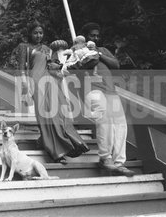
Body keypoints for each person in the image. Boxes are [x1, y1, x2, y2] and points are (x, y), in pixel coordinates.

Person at [18, 21, 89, 164]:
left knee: (58, 113)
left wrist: (58, 64)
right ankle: (55, 151)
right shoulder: (24, 47)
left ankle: (71, 143)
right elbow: (21, 68)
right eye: (35, 32)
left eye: (41, 33)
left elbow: (53, 66)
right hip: (37, 83)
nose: (38, 35)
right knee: (45, 116)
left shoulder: (47, 48)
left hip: (52, 82)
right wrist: (26, 87)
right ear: (30, 33)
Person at [80, 22, 135, 177]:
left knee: (120, 124)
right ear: (85, 37)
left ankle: (119, 163)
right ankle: (106, 158)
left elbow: (116, 65)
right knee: (105, 120)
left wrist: (99, 53)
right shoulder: (79, 50)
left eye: (97, 35)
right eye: (92, 35)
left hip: (110, 91)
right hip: (93, 90)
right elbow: (83, 65)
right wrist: (88, 53)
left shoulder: (103, 50)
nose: (96, 38)